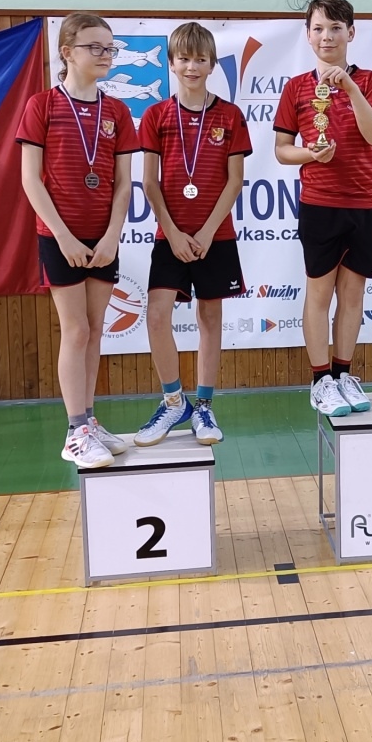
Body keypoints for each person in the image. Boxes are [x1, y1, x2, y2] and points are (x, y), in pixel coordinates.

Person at [16, 12, 136, 468]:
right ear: (67, 52)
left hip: (102, 238)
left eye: (110, 48)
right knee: (77, 330)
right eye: (95, 47)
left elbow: (123, 184)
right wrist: (63, 237)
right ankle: (74, 431)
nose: (106, 55)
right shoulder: (42, 106)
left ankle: (88, 419)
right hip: (59, 236)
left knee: (95, 330)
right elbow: (31, 180)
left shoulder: (117, 112)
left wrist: (111, 237)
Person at [133, 22, 252, 446]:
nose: (192, 66)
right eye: (184, 58)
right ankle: (173, 402)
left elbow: (234, 181)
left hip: (214, 237)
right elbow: (149, 182)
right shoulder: (156, 115)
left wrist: (204, 231)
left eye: (201, 59)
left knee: (210, 318)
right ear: (171, 63)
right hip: (170, 236)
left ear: (212, 64)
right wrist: (174, 232)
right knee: (157, 315)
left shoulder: (230, 116)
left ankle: (203, 406)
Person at [273, 0, 372, 417]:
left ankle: (343, 374)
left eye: (336, 28)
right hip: (320, 203)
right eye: (319, 28)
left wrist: (350, 88)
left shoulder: (369, 81)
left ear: (351, 33)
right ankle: (320, 379)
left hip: (364, 203)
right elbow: (282, 150)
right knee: (319, 293)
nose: (327, 36)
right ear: (308, 35)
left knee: (353, 294)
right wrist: (310, 154)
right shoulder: (296, 88)